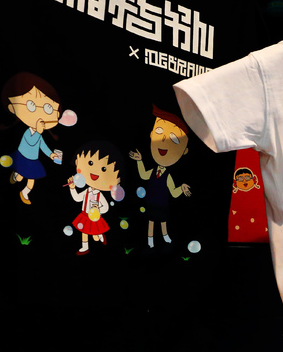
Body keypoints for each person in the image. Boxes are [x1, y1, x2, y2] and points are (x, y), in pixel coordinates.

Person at [2, 72, 74, 204]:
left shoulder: (39, 135)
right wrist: (38, 132)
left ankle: (25, 193)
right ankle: (16, 176)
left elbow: (43, 146)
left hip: (33, 160)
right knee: (20, 176)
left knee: (31, 180)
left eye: (48, 108)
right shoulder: (27, 132)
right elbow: (31, 141)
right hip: (22, 157)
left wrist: (51, 155)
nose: (40, 115)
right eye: (31, 105)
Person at [129, 106, 192, 247]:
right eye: (159, 131)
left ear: (184, 150)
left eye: (174, 139)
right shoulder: (152, 171)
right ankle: (150, 240)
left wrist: (181, 188)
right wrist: (139, 161)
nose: (163, 139)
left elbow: (173, 192)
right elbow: (143, 175)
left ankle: (165, 236)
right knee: (151, 221)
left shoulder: (167, 175)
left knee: (163, 221)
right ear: (151, 134)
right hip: (151, 201)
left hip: (162, 203)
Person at [68, 140, 124, 255]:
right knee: (84, 231)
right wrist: (72, 188)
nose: (94, 172)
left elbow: (106, 207)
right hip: (84, 215)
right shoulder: (87, 191)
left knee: (95, 233)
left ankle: (100, 235)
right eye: (90, 163)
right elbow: (77, 198)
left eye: (104, 169)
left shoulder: (99, 194)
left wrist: (99, 209)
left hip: (95, 216)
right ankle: (85, 247)